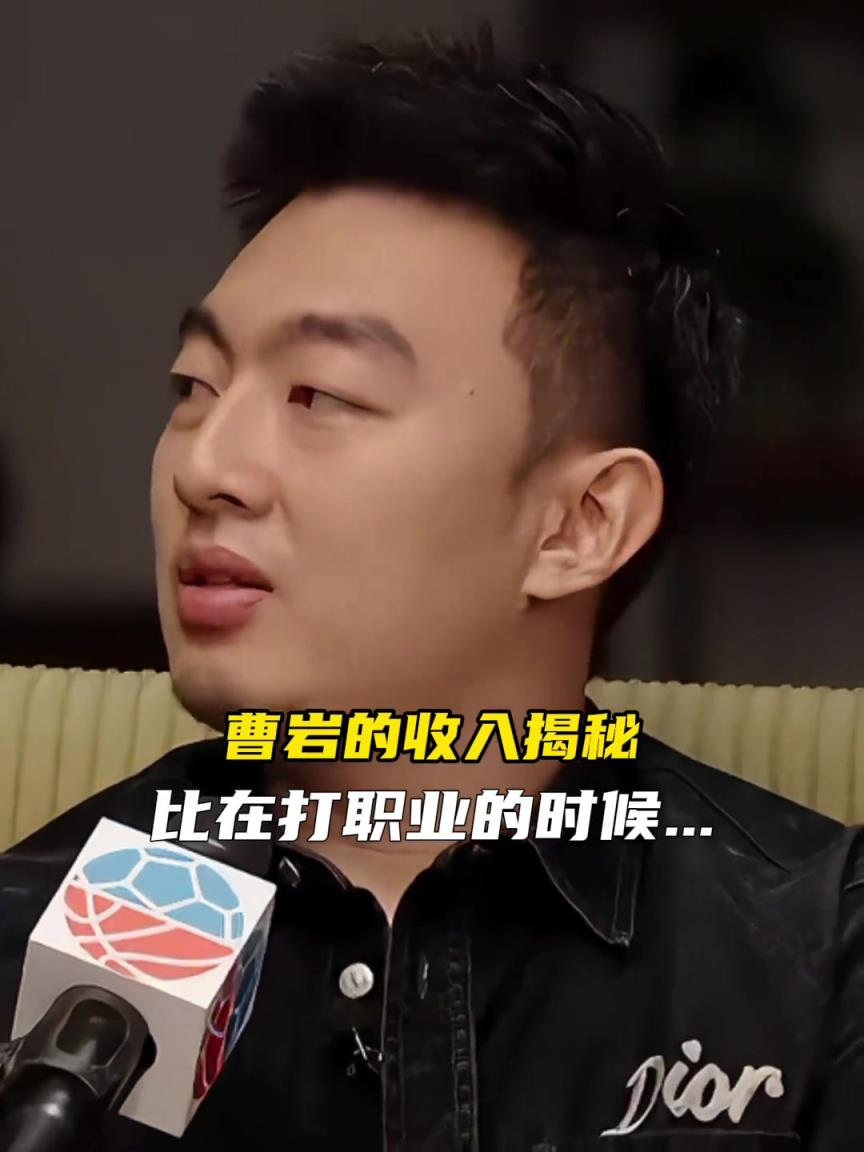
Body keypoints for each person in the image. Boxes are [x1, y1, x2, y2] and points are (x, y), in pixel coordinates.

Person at [1, 29, 861, 1150]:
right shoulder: (34, 927)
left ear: (580, 525)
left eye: (321, 395)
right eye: (193, 386)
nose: (205, 468)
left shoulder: (816, 965)